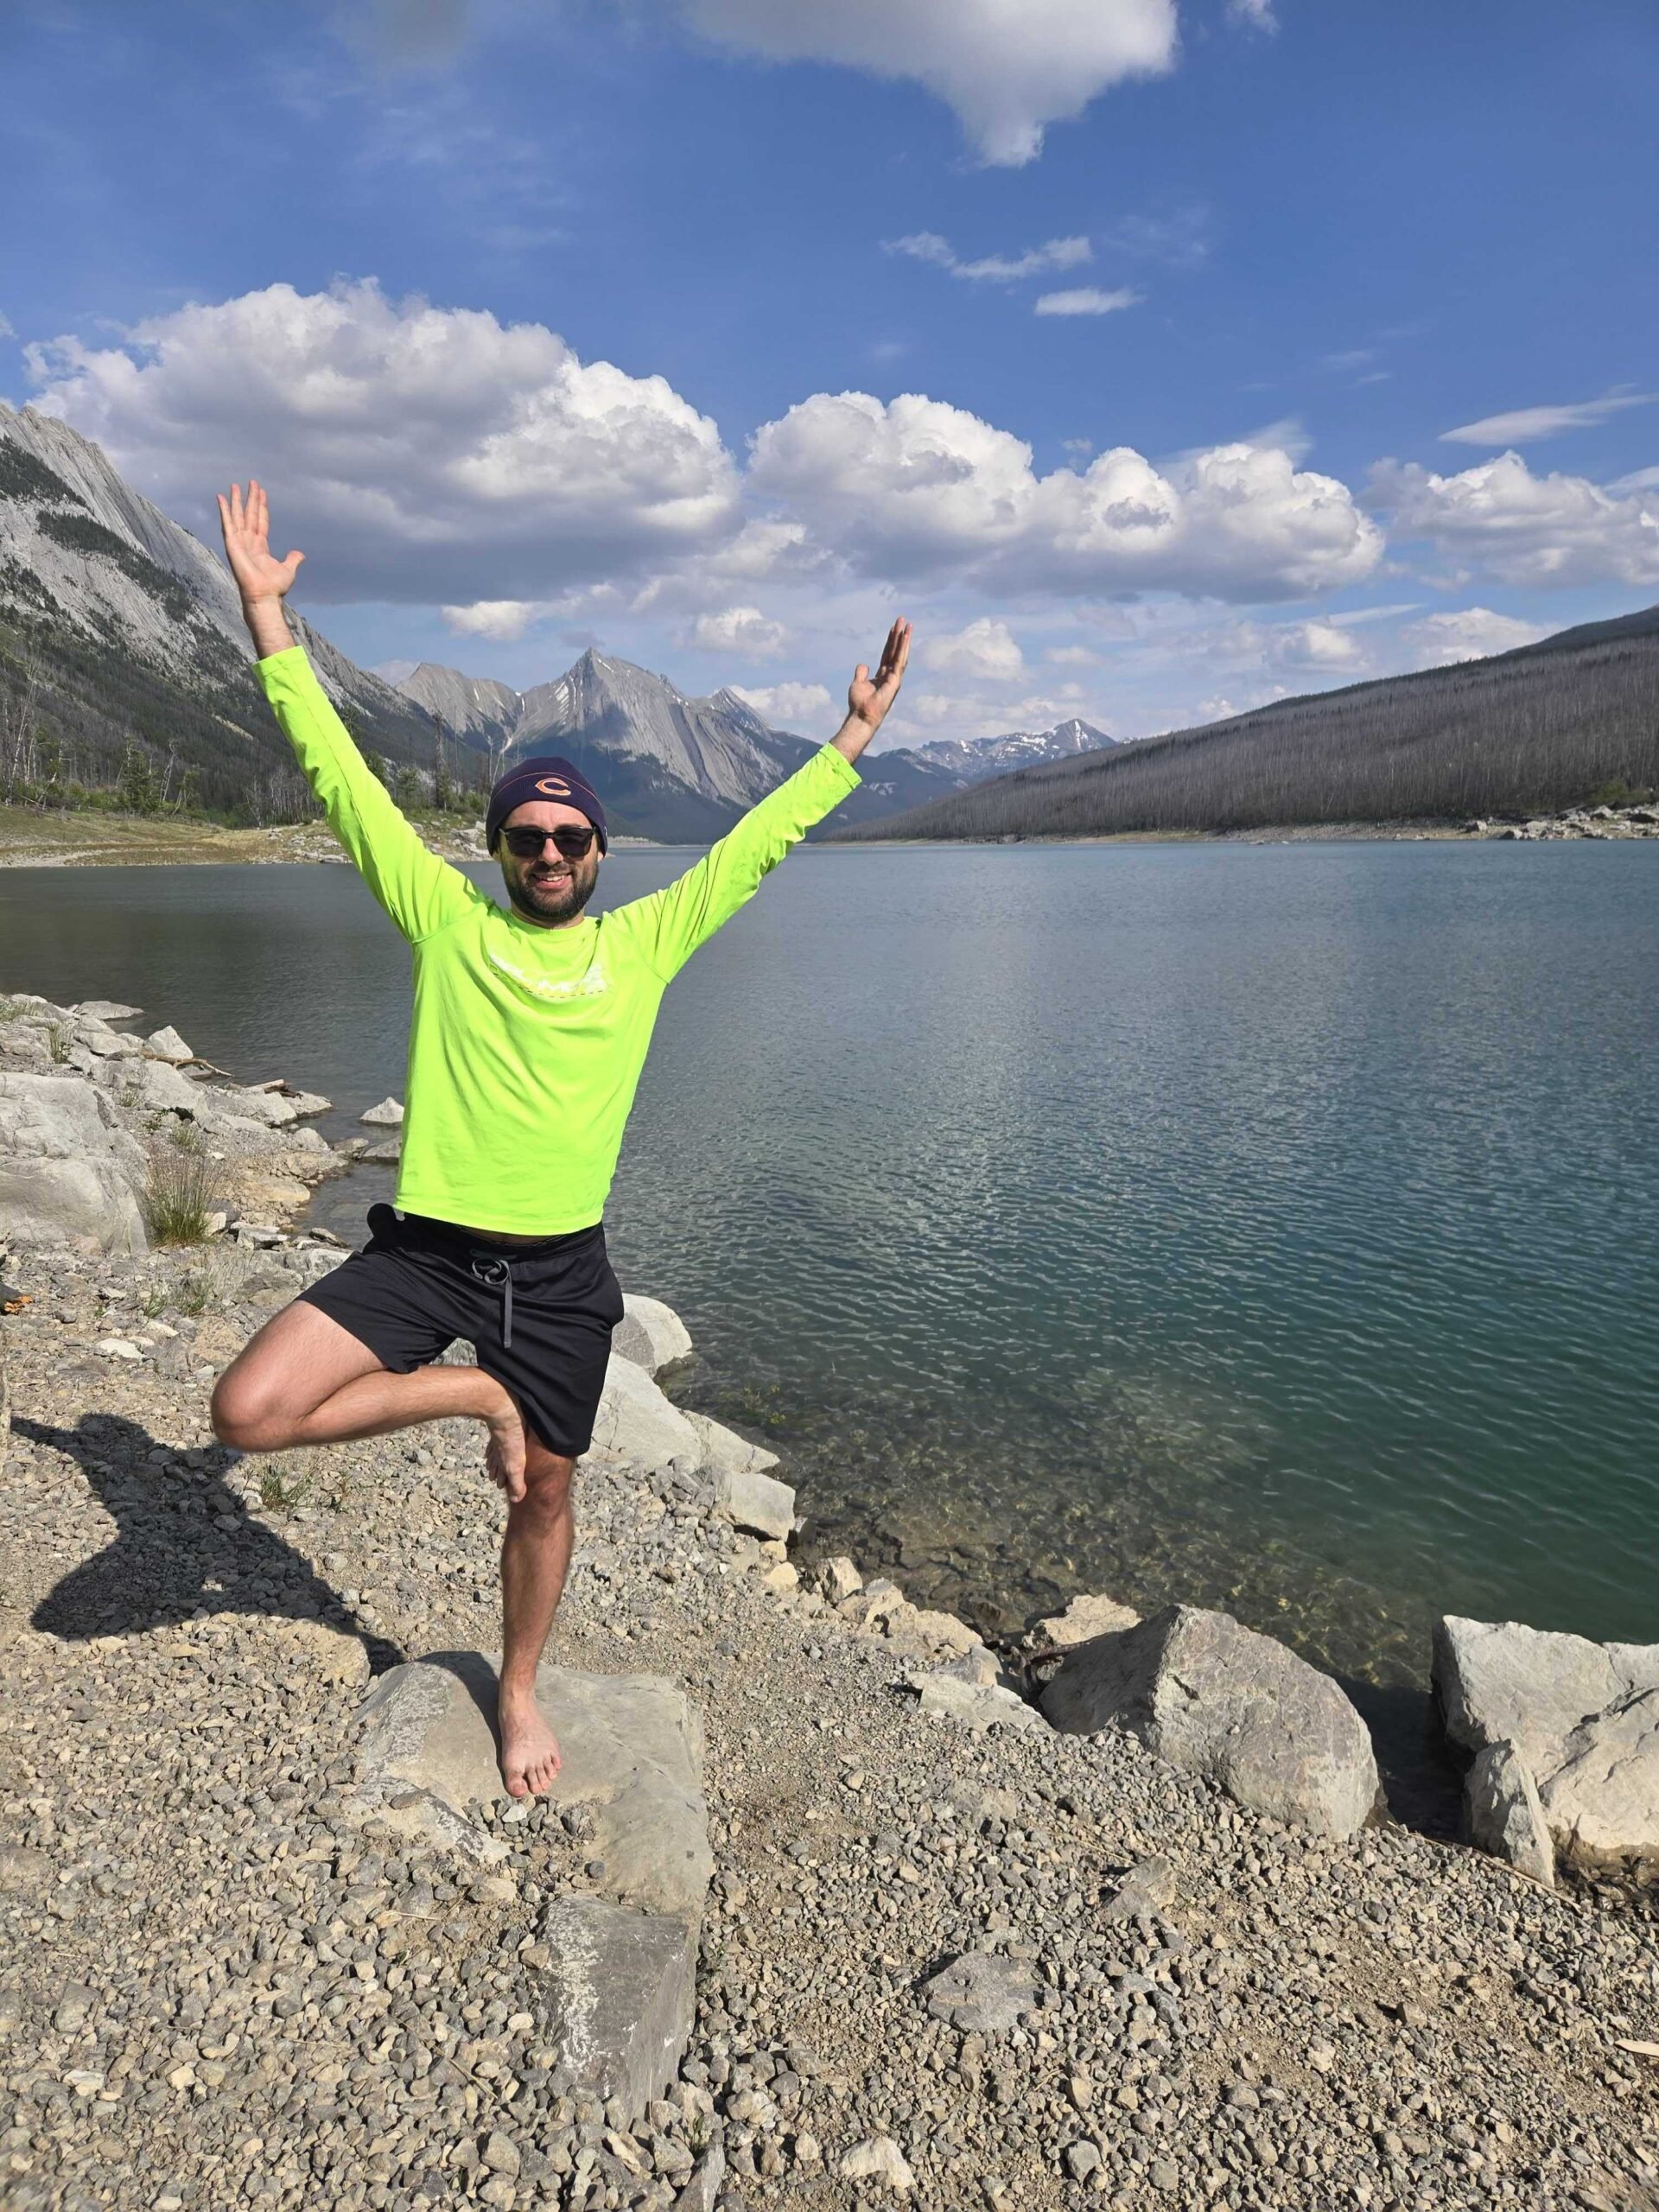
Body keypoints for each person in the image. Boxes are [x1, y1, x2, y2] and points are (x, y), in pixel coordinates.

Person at [208, 480, 912, 1796]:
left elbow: (752, 852)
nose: (548, 850)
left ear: (597, 851)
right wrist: (266, 617)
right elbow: (340, 777)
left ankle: (517, 1690)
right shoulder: (444, 922)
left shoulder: (644, 947)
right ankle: (482, 1393)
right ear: (495, 849)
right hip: (425, 1253)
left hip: (562, 1270)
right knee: (247, 1413)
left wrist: (848, 742)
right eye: (526, 834)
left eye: (569, 836)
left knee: (545, 1494)